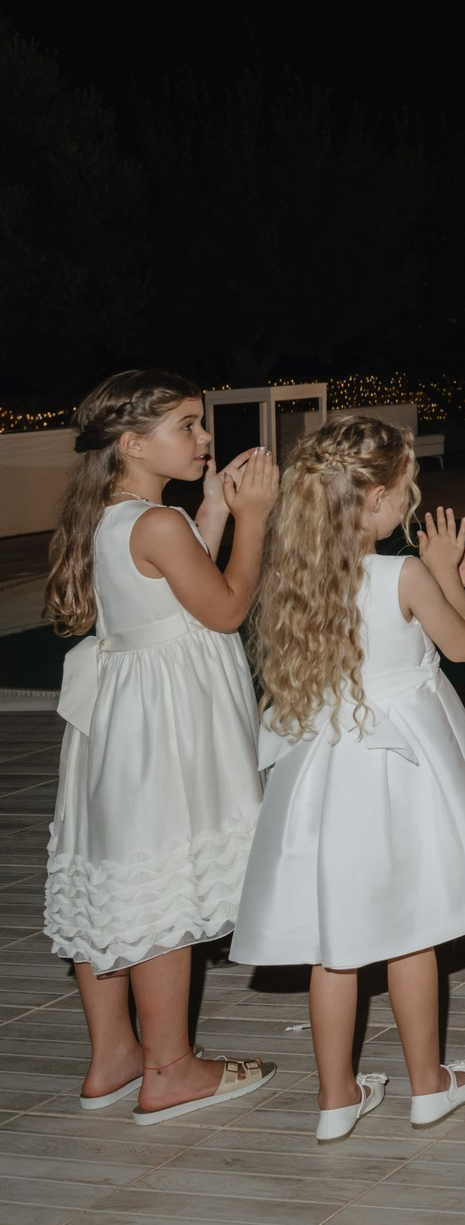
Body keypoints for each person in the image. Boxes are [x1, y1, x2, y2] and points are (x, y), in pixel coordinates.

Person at [231, 415, 465, 1141]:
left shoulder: (292, 580)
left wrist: (442, 582)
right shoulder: (405, 572)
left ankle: (335, 1098)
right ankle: (427, 1085)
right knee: (410, 932)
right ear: (377, 498)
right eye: (405, 487)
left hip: (325, 775)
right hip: (402, 771)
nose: (412, 498)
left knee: (337, 945)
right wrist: (448, 575)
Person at [42, 369, 278, 1122]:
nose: (205, 439)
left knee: (116, 876)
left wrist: (210, 510)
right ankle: (170, 1067)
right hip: (164, 725)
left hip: (123, 719)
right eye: (188, 425)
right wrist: (255, 520)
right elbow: (226, 605)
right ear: (134, 442)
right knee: (162, 886)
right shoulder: (157, 524)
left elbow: (173, 591)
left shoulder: (124, 515)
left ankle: (113, 1055)